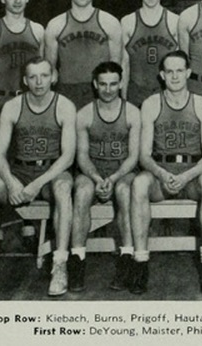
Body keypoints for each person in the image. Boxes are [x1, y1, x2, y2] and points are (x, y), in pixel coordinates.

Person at [0, 58, 76, 297]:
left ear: (54, 77)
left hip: (51, 173)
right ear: (25, 80)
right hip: (19, 171)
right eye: (33, 77)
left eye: (44, 76)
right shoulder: (12, 106)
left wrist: (38, 184)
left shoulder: (65, 106)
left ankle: (60, 265)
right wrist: (10, 182)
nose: (39, 82)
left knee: (63, 189)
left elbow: (68, 157)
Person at [129, 50, 202, 295]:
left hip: (191, 173)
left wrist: (186, 176)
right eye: (170, 71)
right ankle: (140, 261)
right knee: (138, 185)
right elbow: (144, 155)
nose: (175, 76)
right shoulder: (150, 104)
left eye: (180, 71)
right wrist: (161, 173)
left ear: (188, 73)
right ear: (162, 75)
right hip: (161, 172)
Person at [0, 0, 45, 253]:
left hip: (29, 103)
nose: (17, 0)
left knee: (27, 159)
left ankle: (28, 224)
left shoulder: (39, 30)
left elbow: (43, 70)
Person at [69, 62, 141, 292]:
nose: (108, 89)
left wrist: (115, 177)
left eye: (113, 84)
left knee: (124, 191)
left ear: (121, 83)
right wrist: (97, 178)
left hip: (123, 172)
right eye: (103, 84)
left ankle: (127, 257)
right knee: (82, 192)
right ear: (95, 84)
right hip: (93, 172)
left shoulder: (132, 112)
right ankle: (77, 259)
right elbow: (81, 156)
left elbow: (133, 156)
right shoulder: (84, 114)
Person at [44, 0, 122, 110]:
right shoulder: (55, 25)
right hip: (67, 90)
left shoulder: (110, 23)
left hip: (101, 90)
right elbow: (50, 70)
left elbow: (117, 65)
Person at [121, 0, 179, 107]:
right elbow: (124, 64)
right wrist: (123, 101)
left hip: (166, 92)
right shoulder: (127, 22)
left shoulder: (175, 21)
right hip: (136, 93)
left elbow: (180, 66)